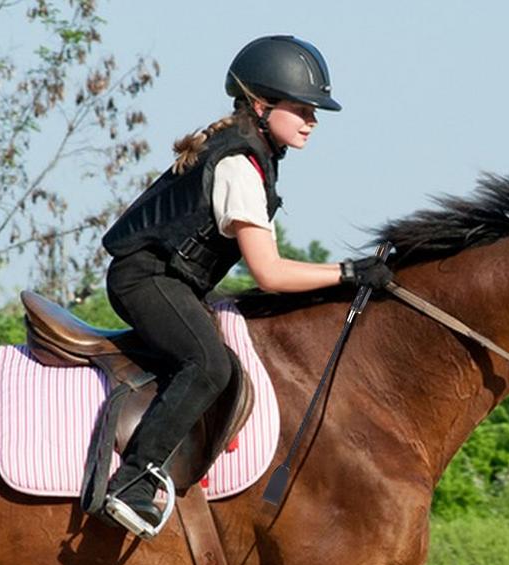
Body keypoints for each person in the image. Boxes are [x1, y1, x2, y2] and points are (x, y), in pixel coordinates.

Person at [100, 34, 393, 535]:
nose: (312, 121)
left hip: (173, 279)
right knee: (207, 363)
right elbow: (271, 273)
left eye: (314, 111)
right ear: (261, 105)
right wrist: (348, 272)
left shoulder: (255, 154)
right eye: (301, 109)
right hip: (144, 279)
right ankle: (132, 480)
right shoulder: (239, 165)